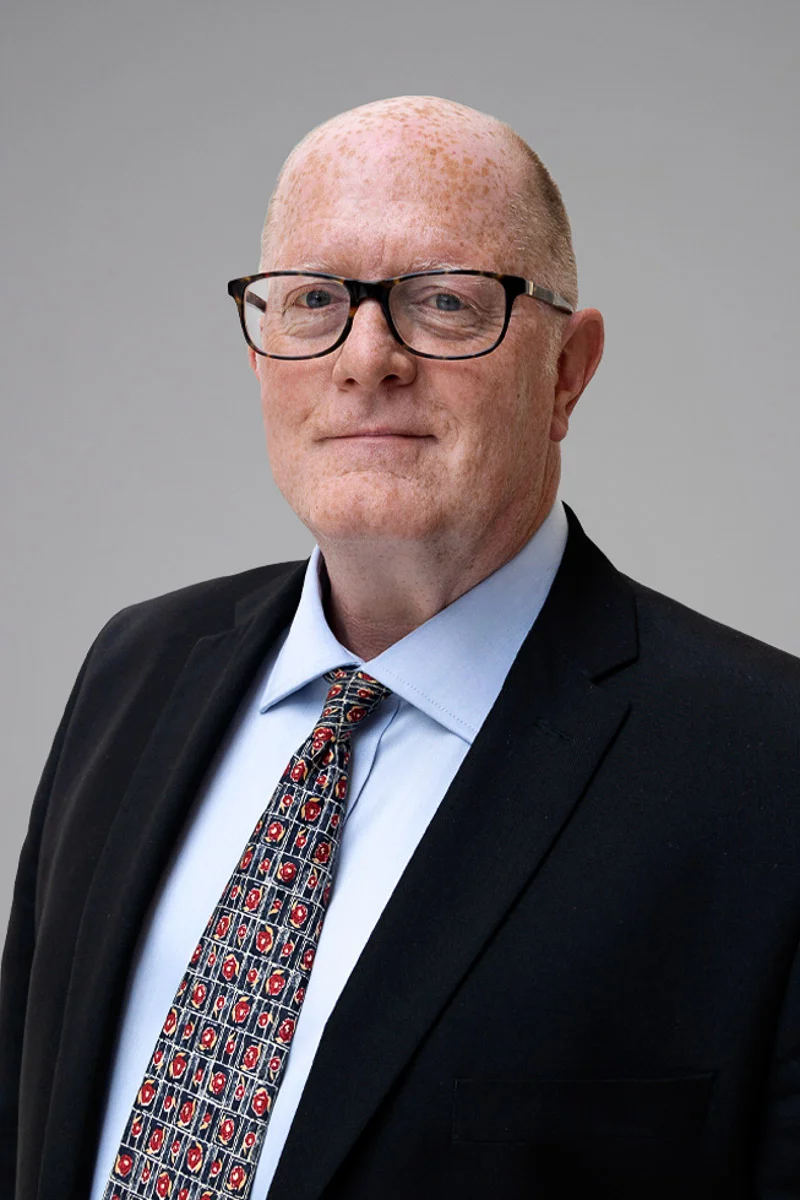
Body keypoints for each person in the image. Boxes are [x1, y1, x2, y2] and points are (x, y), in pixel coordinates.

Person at [1, 95, 799, 1200]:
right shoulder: (135, 670)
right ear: (261, 350)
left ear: (566, 370)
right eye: (315, 299)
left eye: (443, 301)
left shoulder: (767, 769)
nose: (365, 358)